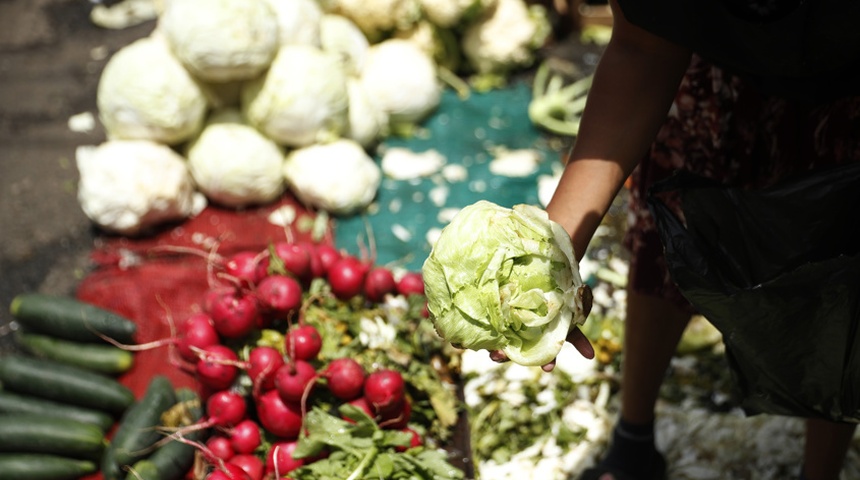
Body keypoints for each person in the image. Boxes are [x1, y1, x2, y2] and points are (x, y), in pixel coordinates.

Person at [495, 1, 860, 479]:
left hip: (850, 93)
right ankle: (633, 442)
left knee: (839, 274)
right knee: (670, 229)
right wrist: (551, 251)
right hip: (715, 69)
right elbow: (641, 47)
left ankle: (822, 471)